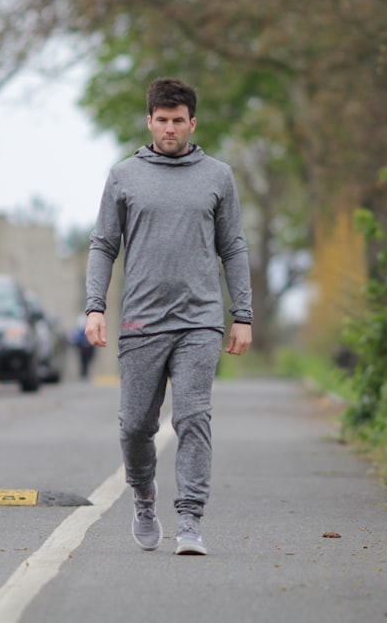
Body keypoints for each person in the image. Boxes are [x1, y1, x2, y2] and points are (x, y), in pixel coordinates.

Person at [84, 77, 253, 556]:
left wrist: (242, 314)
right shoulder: (124, 176)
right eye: (162, 120)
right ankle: (143, 495)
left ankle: (190, 519)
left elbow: (234, 248)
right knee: (136, 425)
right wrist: (95, 306)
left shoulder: (218, 176)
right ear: (150, 121)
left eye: (179, 120)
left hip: (200, 320)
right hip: (141, 321)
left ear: (192, 122)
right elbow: (103, 245)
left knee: (193, 417)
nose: (171, 128)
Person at [69, 314, 96, 379]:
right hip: (82, 347)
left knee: (88, 360)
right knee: (82, 360)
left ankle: (86, 373)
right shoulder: (79, 331)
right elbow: (74, 338)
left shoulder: (90, 328)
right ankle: (83, 373)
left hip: (89, 347)